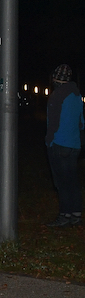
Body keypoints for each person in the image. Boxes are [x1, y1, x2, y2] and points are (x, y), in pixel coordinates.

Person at [44, 64, 83, 227]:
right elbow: (81, 122)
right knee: (72, 181)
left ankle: (64, 215)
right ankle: (76, 213)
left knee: (62, 182)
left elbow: (53, 123)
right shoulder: (76, 95)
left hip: (60, 144)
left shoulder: (56, 96)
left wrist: (49, 141)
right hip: (74, 144)